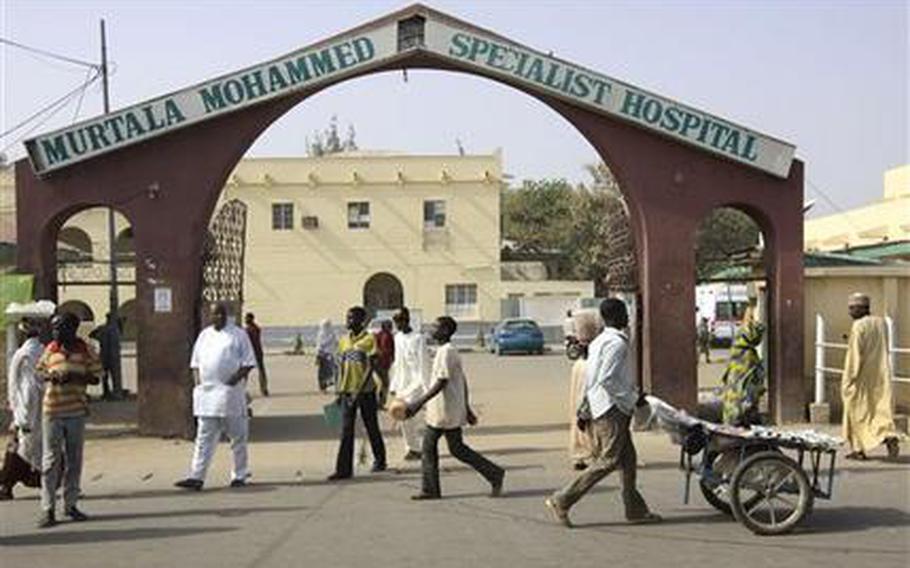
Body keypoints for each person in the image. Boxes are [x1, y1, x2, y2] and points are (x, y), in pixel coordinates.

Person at [545, 299, 660, 527]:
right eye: (625, 314)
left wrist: (586, 408)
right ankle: (563, 499)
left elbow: (592, 377)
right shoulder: (616, 344)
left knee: (628, 461)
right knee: (608, 461)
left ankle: (635, 510)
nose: (628, 318)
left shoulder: (599, 341)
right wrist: (632, 398)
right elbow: (607, 379)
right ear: (618, 317)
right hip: (612, 408)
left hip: (603, 405)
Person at [405, 316, 504, 500]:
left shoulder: (447, 352)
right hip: (446, 409)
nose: (431, 329)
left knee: (429, 448)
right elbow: (462, 380)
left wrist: (418, 403)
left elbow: (441, 382)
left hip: (444, 411)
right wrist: (466, 407)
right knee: (457, 449)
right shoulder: (445, 351)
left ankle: (430, 489)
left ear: (445, 331)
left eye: (435, 326)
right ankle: (494, 473)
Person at [175, 302, 257, 491]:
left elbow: (248, 363)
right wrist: (199, 384)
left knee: (237, 436)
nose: (217, 317)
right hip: (207, 397)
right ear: (210, 317)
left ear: (226, 315)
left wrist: (232, 381)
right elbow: (195, 363)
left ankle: (239, 474)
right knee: (204, 438)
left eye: (220, 314)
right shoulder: (204, 335)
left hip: (230, 395)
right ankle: (197, 477)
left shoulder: (238, 335)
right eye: (214, 315)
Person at [34, 311, 102, 528]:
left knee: (74, 460)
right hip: (52, 410)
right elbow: (39, 372)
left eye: (60, 327)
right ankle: (48, 508)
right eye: (54, 327)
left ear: (72, 329)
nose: (55, 332)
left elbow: (97, 377)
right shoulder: (50, 349)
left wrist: (76, 376)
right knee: (50, 461)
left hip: (75, 411)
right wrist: (51, 376)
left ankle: (70, 504)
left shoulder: (86, 350)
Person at [327, 307, 387, 480]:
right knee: (346, 430)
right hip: (347, 391)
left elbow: (372, 367)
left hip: (365, 392)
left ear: (361, 321)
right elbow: (340, 367)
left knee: (371, 427)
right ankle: (343, 469)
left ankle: (380, 460)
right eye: (347, 317)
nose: (348, 321)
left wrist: (359, 392)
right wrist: (339, 391)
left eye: (351, 318)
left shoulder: (369, 340)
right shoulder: (344, 341)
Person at [841, 293, 901, 461]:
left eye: (853, 308)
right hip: (880, 374)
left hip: (860, 377)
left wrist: (849, 379)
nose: (850, 312)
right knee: (879, 411)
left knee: (856, 412)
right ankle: (888, 435)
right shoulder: (880, 323)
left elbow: (855, 355)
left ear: (862, 309)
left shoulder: (859, 326)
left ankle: (858, 449)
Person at [0, 318, 47, 499]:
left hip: (25, 404)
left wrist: (14, 407)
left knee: (21, 446)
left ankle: (7, 485)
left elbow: (13, 384)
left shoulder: (21, 354)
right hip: (38, 404)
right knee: (38, 447)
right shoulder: (42, 351)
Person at [389, 307, 428, 461]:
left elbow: (424, 363)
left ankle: (416, 448)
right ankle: (411, 447)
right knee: (401, 415)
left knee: (409, 415)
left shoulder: (418, 338)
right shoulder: (397, 338)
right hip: (403, 383)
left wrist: (426, 387)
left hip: (417, 381)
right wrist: (394, 385)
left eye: (400, 320)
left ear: (407, 319)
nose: (397, 324)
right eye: (395, 321)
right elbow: (398, 362)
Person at [568, 310, 602, 471]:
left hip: (581, 376)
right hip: (587, 384)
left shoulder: (581, 360)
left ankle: (581, 454)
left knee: (579, 418)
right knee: (589, 421)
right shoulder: (595, 351)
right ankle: (591, 452)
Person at [717, 316, 766, 426]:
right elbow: (752, 381)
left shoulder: (736, 350)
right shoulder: (749, 355)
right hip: (742, 404)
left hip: (731, 403)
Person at [88, 312, 122, 400]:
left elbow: (91, 334)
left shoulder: (105, 328)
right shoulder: (112, 328)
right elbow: (92, 334)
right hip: (110, 354)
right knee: (110, 375)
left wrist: (99, 338)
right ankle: (112, 392)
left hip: (106, 354)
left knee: (106, 375)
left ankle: (109, 392)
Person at [244, 312, 269, 397]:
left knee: (245, 372)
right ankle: (264, 389)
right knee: (261, 371)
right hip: (257, 352)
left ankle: (242, 389)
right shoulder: (256, 328)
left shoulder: (249, 330)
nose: (245, 320)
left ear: (251, 319)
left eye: (247, 318)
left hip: (252, 353)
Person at [374, 319, 395, 408]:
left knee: (382, 383)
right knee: (385, 383)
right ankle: (380, 402)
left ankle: (379, 402)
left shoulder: (378, 335)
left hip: (379, 363)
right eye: (390, 326)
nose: (391, 328)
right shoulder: (387, 336)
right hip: (382, 363)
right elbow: (386, 350)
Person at [315, 319, 338, 392]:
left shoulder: (332, 333)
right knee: (323, 371)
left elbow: (336, 343)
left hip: (331, 354)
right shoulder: (321, 334)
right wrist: (318, 354)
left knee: (331, 370)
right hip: (324, 355)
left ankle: (327, 385)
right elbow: (320, 345)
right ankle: (323, 387)